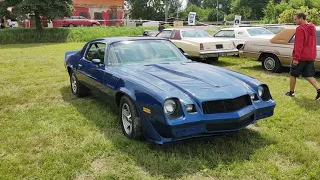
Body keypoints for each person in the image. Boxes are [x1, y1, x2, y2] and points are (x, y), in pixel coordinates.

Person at [285, 12, 320, 100]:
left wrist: (296, 58)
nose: (294, 21)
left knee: (293, 74)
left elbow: (299, 45)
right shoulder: (312, 27)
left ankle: (291, 92)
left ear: (301, 18)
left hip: (301, 57)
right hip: (311, 55)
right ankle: (319, 90)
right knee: (309, 75)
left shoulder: (300, 29)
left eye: (295, 19)